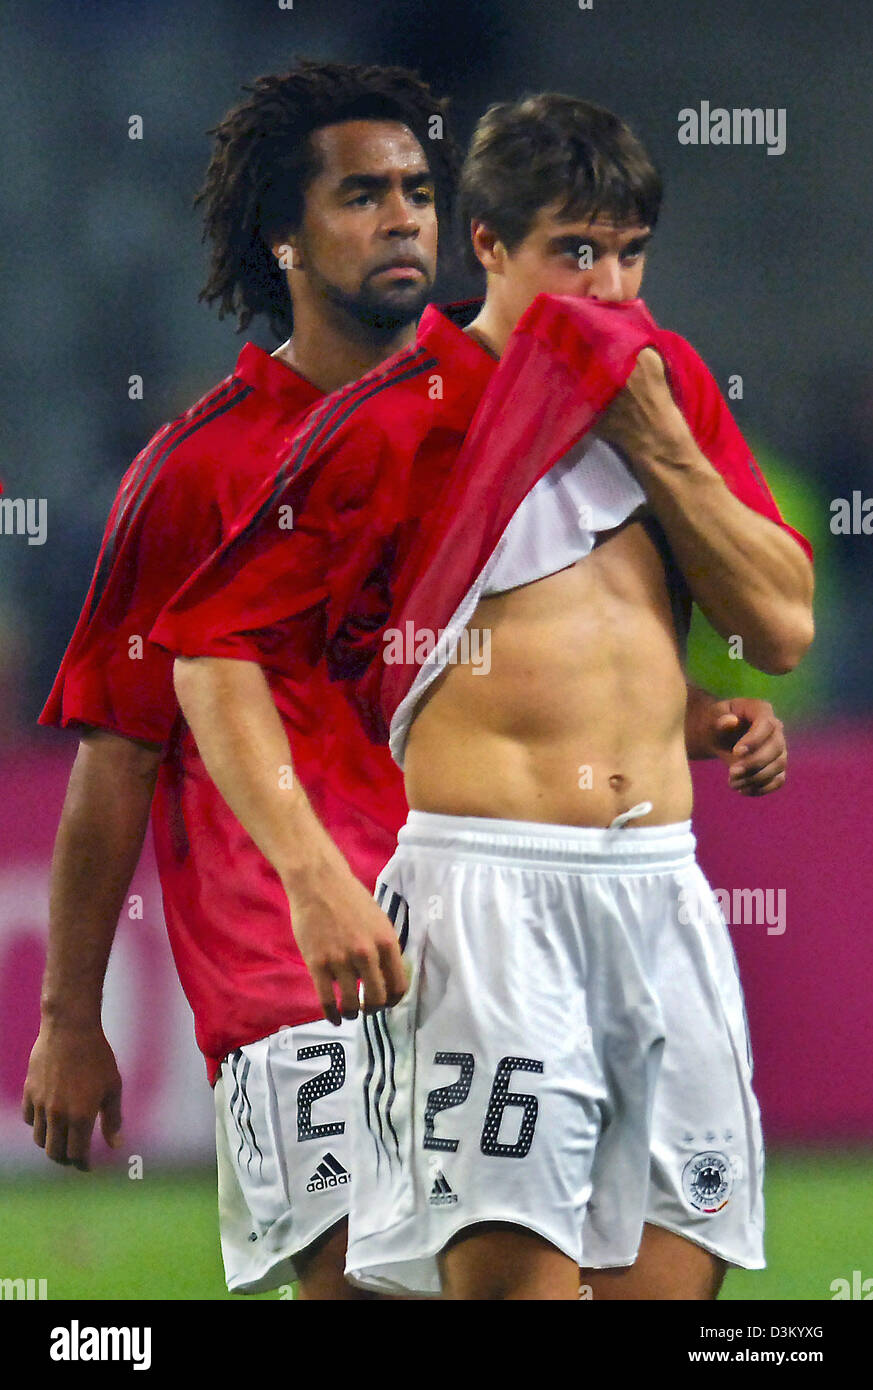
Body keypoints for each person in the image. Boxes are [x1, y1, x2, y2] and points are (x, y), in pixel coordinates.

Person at [150, 95, 811, 1300]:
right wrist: (313, 877)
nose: (610, 291)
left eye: (629, 253)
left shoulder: (667, 387)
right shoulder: (397, 419)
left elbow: (779, 626)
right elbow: (211, 652)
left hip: (660, 894)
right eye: (575, 253)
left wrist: (659, 439)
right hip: (490, 907)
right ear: (490, 247)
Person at [22, 58, 457, 1301]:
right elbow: (120, 751)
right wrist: (69, 1016)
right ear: (283, 238)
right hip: (286, 967)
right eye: (360, 194)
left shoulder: (475, 421)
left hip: (474, 929)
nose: (401, 217)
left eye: (417, 190)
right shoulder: (197, 472)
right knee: (358, 1286)